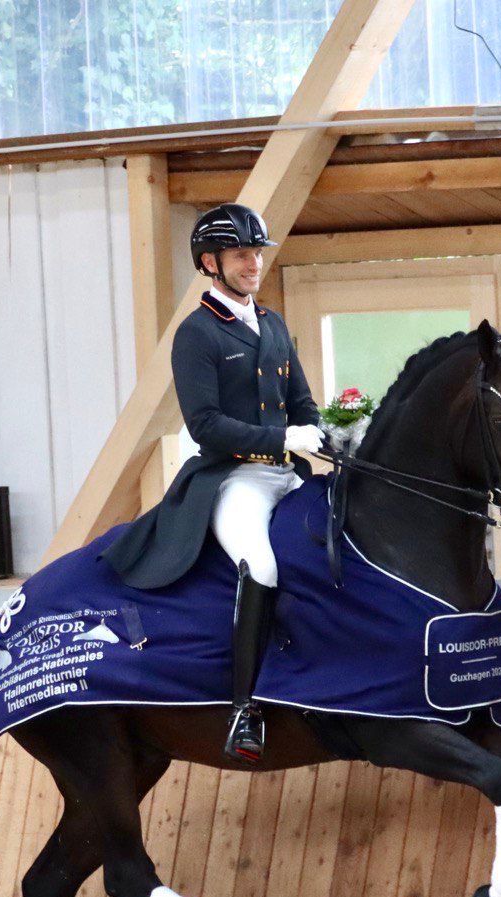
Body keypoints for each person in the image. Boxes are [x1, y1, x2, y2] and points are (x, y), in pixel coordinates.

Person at [101, 203, 324, 764]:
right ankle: (243, 709)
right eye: (241, 255)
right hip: (235, 478)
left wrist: (322, 434)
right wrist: (282, 441)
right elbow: (205, 425)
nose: (253, 264)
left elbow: (300, 401)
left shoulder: (271, 324)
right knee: (263, 564)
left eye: (256, 253)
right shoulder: (196, 334)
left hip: (288, 475)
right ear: (210, 262)